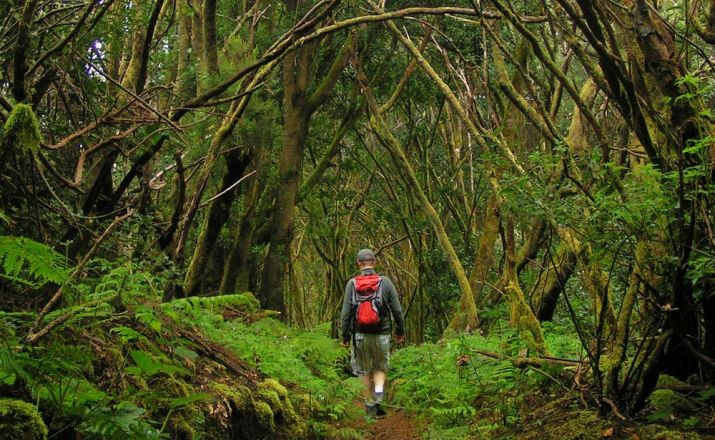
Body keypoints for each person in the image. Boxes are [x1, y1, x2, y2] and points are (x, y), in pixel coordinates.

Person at [341, 248, 405, 417]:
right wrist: (400, 331)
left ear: (358, 263)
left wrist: (344, 336)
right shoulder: (386, 282)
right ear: (374, 263)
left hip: (360, 335)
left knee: (362, 370)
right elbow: (397, 310)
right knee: (380, 368)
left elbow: (346, 313)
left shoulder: (352, 284)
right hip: (382, 334)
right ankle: (378, 399)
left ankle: (369, 406)